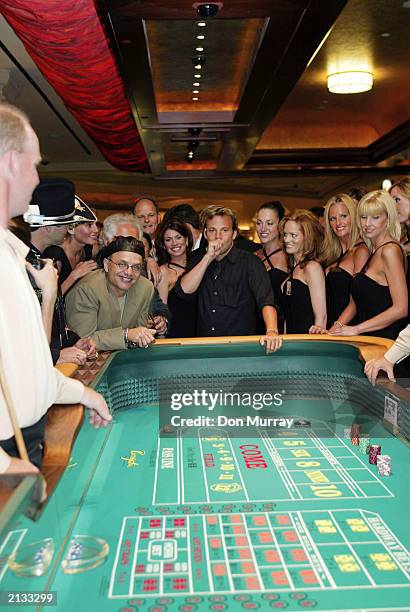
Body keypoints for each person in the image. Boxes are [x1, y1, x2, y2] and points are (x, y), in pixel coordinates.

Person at [0, 103, 111, 475]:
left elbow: (28, 365)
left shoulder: (14, 254)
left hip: (24, 441)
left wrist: (85, 394)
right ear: (12, 162)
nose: (35, 180)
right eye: (34, 165)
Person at [174, 205, 282, 351]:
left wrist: (272, 331)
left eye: (224, 230)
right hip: (204, 348)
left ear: (234, 234)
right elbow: (184, 291)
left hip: (240, 349)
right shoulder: (197, 260)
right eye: (212, 230)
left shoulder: (250, 262)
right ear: (205, 234)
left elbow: (266, 300)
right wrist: (208, 258)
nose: (218, 236)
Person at [26, 178, 97, 366]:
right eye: (66, 224)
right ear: (49, 227)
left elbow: (54, 320)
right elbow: (18, 335)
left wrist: (73, 340)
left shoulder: (41, 261)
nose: (68, 230)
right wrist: (55, 355)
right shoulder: (21, 265)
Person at [329, 190, 408, 339]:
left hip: (387, 344)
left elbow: (401, 308)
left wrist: (356, 329)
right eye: (363, 217)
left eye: (375, 217)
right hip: (371, 341)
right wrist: (334, 330)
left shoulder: (389, 250)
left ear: (389, 218)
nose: (367, 224)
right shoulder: (375, 251)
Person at [65, 236, 156, 350]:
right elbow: (83, 342)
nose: (129, 272)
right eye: (122, 264)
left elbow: (139, 334)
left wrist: (140, 336)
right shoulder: (86, 289)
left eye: (136, 267)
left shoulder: (145, 288)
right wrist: (126, 335)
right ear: (106, 264)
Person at [98, 213, 169, 337]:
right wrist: (133, 329)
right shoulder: (92, 275)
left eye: (134, 241)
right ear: (106, 240)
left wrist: (162, 320)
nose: (129, 246)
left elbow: (159, 306)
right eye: (122, 240)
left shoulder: (143, 271)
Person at [322, 194, 369, 328]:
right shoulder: (332, 254)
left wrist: (335, 328)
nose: (338, 223)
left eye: (343, 216)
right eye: (332, 218)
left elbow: (356, 301)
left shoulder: (361, 251)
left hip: (347, 329)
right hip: (330, 328)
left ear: (354, 217)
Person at [279, 210, 326, 334]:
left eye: (293, 235)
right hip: (292, 343)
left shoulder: (312, 267)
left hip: (308, 343)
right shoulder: (295, 268)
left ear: (307, 237)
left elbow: (321, 318)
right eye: (285, 234)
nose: (286, 240)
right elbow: (288, 316)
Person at [43, 198, 99, 295]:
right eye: (89, 225)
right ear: (71, 228)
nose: (96, 230)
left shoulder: (88, 248)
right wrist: (74, 276)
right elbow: (47, 298)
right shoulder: (55, 255)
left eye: (96, 224)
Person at [156, 218, 195, 338]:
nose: (174, 243)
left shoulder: (197, 266)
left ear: (187, 240)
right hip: (176, 336)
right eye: (168, 240)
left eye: (178, 237)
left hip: (202, 334)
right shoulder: (163, 272)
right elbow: (162, 313)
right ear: (163, 245)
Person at [254, 201, 288, 332]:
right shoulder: (252, 257)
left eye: (269, 223)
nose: (263, 229)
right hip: (254, 326)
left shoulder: (289, 256)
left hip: (281, 328)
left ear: (280, 225)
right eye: (259, 223)